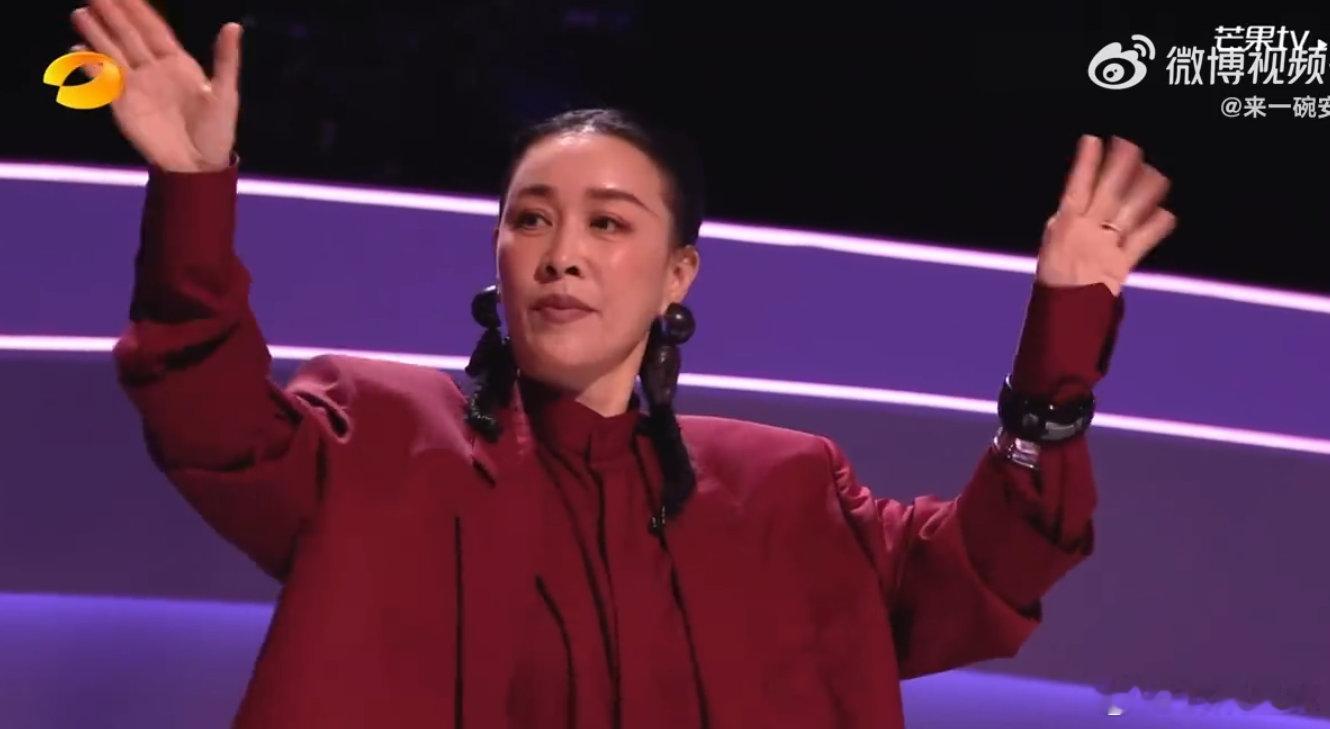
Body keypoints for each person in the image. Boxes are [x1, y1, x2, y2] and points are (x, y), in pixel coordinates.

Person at [73, 0, 1177, 726]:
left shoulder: (790, 492)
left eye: (608, 224)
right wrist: (194, 190)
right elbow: (205, 409)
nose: (561, 255)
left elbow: (997, 560)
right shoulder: (374, 436)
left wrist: (1060, 346)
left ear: (677, 273)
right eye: (531, 219)